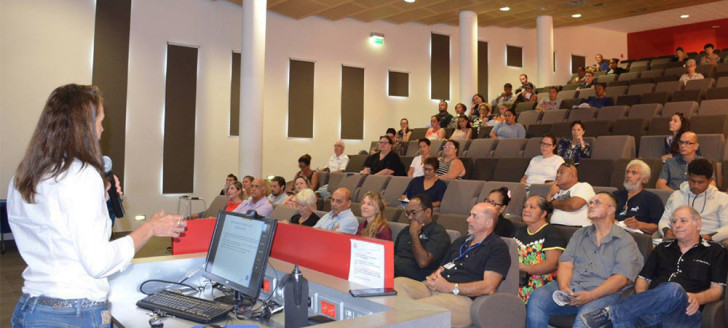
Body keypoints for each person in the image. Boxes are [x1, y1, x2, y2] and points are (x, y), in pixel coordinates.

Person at [7, 84, 184, 327]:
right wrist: (150, 228)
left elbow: (59, 235)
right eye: (100, 120)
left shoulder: (24, 176)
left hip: (31, 308)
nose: (102, 128)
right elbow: (98, 262)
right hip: (72, 315)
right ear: (84, 126)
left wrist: (100, 200)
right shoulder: (83, 176)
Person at [580, 206, 728, 328]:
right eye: (674, 221)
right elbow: (643, 279)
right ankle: (614, 316)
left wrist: (697, 297)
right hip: (650, 312)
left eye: (683, 221)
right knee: (623, 321)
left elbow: (717, 290)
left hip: (684, 313)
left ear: (698, 224)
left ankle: (609, 314)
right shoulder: (662, 248)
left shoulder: (715, 250)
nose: (677, 225)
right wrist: (644, 299)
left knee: (673, 289)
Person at [526, 193, 644, 328]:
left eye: (597, 202)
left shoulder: (625, 241)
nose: (591, 205)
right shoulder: (580, 234)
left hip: (604, 294)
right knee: (537, 298)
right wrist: (564, 288)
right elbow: (565, 263)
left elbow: (621, 278)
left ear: (611, 209)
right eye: (590, 203)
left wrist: (591, 295)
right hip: (573, 288)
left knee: (584, 320)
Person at [394, 202, 511, 328]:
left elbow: (489, 287)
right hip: (435, 288)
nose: (468, 219)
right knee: (396, 284)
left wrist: (450, 287)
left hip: (461, 299)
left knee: (418, 309)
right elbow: (442, 268)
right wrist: (434, 277)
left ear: (488, 222)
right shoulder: (461, 241)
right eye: (470, 215)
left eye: (474, 216)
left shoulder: (497, 247)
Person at [659, 158, 728, 245]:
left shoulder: (722, 198)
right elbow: (664, 220)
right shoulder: (676, 195)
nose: (695, 185)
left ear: (710, 181)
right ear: (688, 178)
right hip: (678, 241)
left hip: (708, 243)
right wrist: (666, 231)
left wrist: (709, 237)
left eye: (700, 182)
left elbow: (727, 227)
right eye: (692, 181)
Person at [514, 195, 567, 304]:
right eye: (525, 206)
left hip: (541, 284)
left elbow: (552, 264)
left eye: (532, 207)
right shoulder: (519, 231)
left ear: (543, 213)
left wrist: (525, 268)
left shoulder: (552, 232)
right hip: (516, 279)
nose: (526, 210)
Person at [393, 194, 451, 281]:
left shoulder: (438, 233)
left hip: (414, 280)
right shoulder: (405, 231)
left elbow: (423, 262)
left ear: (428, 212)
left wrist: (414, 235)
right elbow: (393, 255)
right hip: (392, 275)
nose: (410, 217)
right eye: (408, 213)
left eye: (413, 213)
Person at [612, 160, 664, 235]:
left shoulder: (652, 199)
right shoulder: (615, 196)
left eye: (634, 173)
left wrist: (639, 225)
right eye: (627, 172)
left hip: (636, 238)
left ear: (644, 179)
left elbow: (657, 226)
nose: (629, 175)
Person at [547, 162, 596, 227]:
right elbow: (544, 213)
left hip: (576, 229)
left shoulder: (584, 186)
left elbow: (574, 205)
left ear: (572, 176)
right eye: (557, 173)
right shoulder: (556, 191)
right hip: (555, 229)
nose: (557, 175)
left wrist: (553, 203)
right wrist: (549, 195)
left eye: (561, 172)